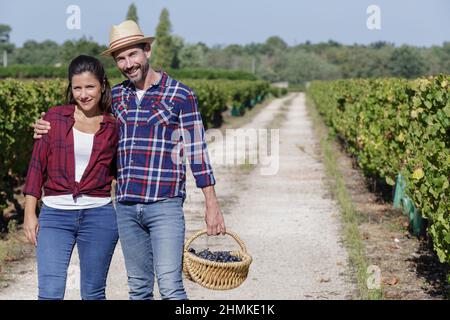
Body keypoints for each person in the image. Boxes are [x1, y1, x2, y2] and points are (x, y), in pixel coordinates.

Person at [33, 20, 226, 300]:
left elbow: (197, 152)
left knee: (171, 287)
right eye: (120, 58)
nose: (127, 63)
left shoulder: (181, 95)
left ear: (147, 50)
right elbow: (79, 112)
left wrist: (212, 204)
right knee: (137, 288)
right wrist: (43, 126)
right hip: (124, 206)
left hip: (165, 205)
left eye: (132, 54)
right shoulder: (117, 97)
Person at [24, 55, 119, 300]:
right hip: (55, 215)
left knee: (93, 294)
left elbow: (121, 169)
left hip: (99, 215)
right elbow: (36, 167)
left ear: (102, 86)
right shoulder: (54, 118)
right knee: (50, 293)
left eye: (90, 86)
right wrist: (29, 213)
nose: (84, 94)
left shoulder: (113, 126)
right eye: (77, 87)